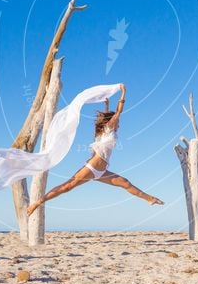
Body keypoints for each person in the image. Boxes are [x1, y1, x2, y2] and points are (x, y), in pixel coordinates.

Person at [27, 83, 163, 215]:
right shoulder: (109, 128)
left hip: (102, 171)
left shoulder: (103, 132)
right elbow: (118, 112)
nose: (119, 125)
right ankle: (38, 202)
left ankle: (150, 199)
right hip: (91, 167)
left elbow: (109, 116)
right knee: (67, 187)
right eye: (118, 123)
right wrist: (123, 92)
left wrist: (106, 105)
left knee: (125, 183)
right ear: (111, 122)